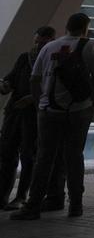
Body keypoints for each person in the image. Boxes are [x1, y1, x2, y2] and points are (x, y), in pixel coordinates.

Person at [11, 13, 94, 220]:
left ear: (66, 27)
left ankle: (32, 206)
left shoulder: (48, 47)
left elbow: (35, 79)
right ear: (86, 28)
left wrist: (39, 104)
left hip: (49, 111)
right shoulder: (90, 46)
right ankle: (75, 205)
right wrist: (92, 102)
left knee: (44, 158)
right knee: (74, 157)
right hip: (78, 111)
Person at [0, 26, 54, 210]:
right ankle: (3, 195)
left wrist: (31, 99)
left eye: (42, 42)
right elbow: (12, 79)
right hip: (14, 111)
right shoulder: (25, 58)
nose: (38, 45)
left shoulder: (52, 60)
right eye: (37, 41)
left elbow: (52, 87)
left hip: (33, 114)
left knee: (28, 155)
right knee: (6, 153)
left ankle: (21, 196)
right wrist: (4, 85)